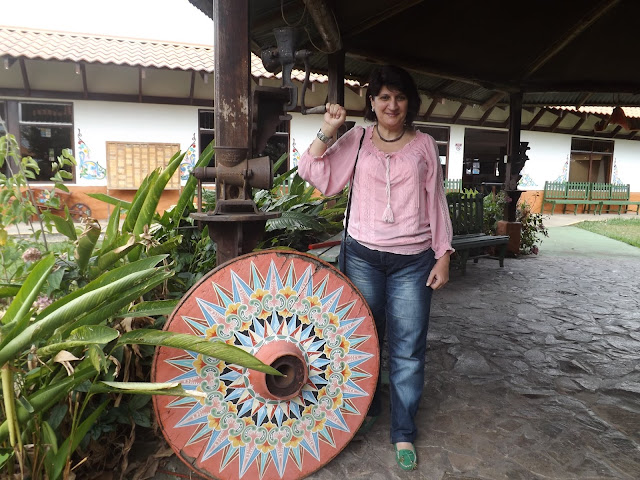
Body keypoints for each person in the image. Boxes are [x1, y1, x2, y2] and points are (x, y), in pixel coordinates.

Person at [298, 64, 454, 471]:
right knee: (363, 341)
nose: (392, 104)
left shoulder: (423, 146)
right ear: (372, 102)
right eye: (384, 97)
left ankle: (403, 430)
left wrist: (443, 254)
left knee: (408, 350)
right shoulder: (359, 138)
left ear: (409, 104)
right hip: (363, 255)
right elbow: (316, 173)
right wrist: (327, 130)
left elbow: (436, 201)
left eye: (399, 97)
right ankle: (363, 412)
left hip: (413, 261)